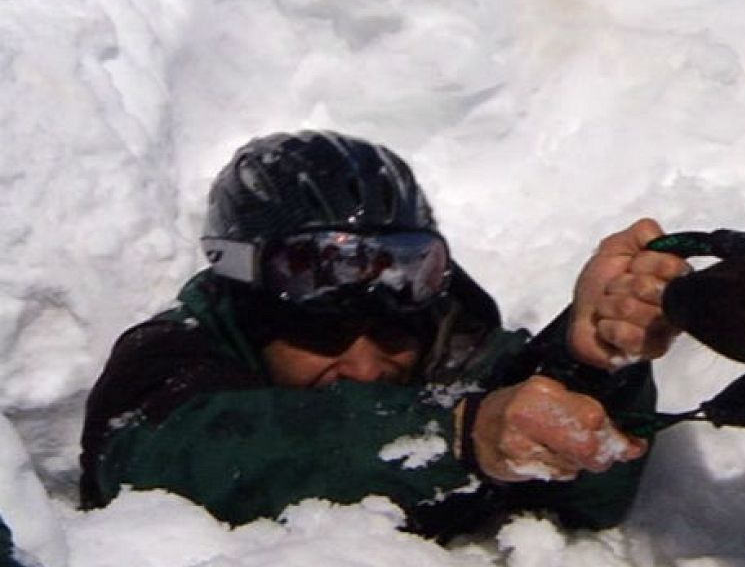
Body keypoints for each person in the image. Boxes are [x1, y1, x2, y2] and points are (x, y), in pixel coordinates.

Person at [79, 131, 689, 538]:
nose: (367, 369)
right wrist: (454, 435)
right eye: (323, 339)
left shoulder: (452, 344)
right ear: (248, 313)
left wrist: (589, 366)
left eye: (392, 339)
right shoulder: (167, 362)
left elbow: (589, 502)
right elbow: (177, 457)